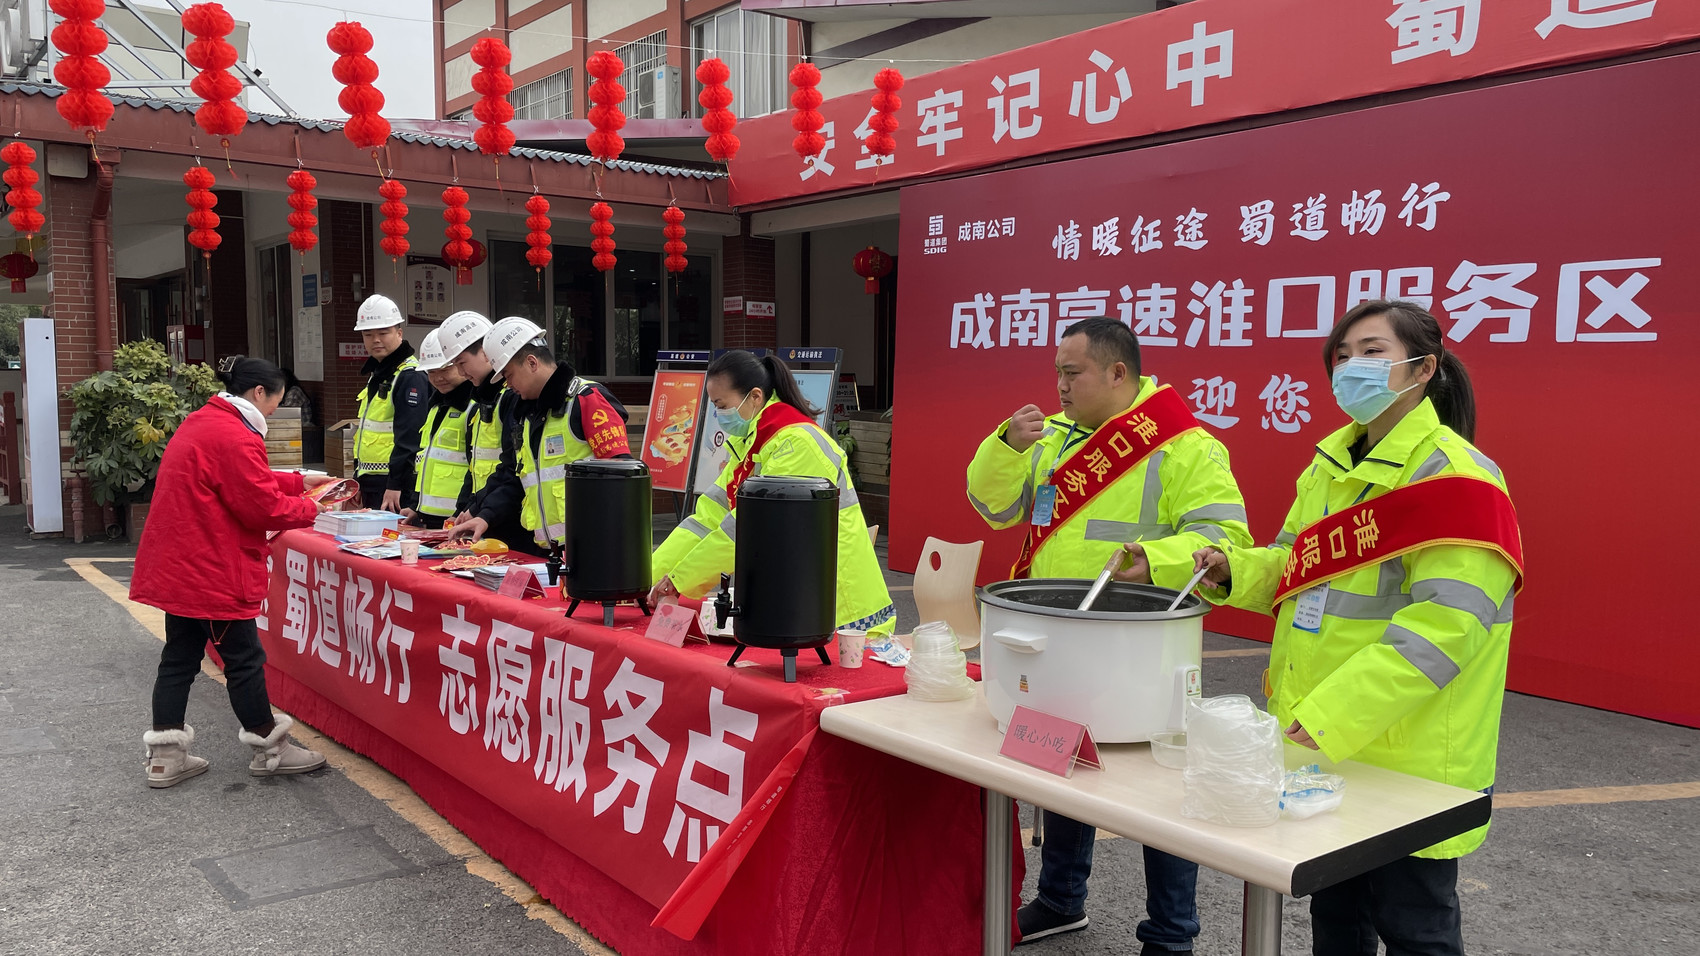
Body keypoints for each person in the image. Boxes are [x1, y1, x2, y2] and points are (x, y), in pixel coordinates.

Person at [1192, 301, 1521, 956]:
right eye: (1341, 356)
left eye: (1372, 352)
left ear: (1423, 368)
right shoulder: (1329, 467)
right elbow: (1295, 564)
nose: (1350, 368)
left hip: (1408, 758)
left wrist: (1331, 715)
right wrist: (1236, 570)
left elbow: (1445, 628)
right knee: (1337, 922)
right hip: (1325, 747)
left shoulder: (1457, 477)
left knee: (1415, 929)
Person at [965, 317, 1252, 953]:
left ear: (1118, 372)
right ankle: (1060, 900)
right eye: (1057, 374)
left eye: (1073, 373)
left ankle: (1171, 936)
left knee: (1156, 792)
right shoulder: (1052, 438)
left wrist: (1156, 559)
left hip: (1139, 649)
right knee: (1062, 761)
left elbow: (1226, 543)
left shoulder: (1185, 446)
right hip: (1061, 636)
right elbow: (996, 509)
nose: (1060, 387)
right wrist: (1004, 446)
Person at [129, 356, 337, 788]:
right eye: (276, 402)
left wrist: (298, 482)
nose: (275, 411)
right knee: (244, 660)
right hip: (214, 570)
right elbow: (260, 506)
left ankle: (164, 757)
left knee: (178, 658)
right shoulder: (237, 435)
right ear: (259, 392)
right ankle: (271, 749)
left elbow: (241, 480)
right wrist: (312, 507)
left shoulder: (203, 421)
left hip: (179, 568)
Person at [649, 350, 895, 637]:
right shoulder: (750, 445)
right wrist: (647, 576)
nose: (717, 415)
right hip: (799, 602)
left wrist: (679, 580)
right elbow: (705, 521)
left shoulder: (797, 444)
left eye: (721, 405)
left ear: (755, 396)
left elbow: (747, 528)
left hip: (842, 612)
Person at [450, 317, 631, 554]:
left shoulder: (586, 399)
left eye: (509, 375)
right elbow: (517, 479)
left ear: (532, 362)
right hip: (547, 550)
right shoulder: (527, 416)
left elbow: (622, 477)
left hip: (593, 549)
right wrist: (485, 516)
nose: (507, 385)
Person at [438, 310, 540, 556]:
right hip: (488, 516)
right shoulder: (482, 402)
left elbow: (513, 468)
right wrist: (467, 509)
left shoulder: (512, 398)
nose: (461, 373)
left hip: (512, 520)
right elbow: (473, 468)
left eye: (462, 363)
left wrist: (480, 511)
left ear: (485, 353)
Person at [351, 294, 429, 512]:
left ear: (399, 333)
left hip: (394, 486)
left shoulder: (410, 376)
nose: (376, 340)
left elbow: (410, 436)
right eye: (368, 334)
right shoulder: (379, 373)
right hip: (373, 482)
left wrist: (396, 484)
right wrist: (358, 478)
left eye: (383, 333)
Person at [402, 328, 474, 529]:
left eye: (444, 369)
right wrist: (416, 505)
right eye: (432, 371)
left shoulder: (472, 407)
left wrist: (463, 511)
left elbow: (477, 469)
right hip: (431, 516)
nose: (438, 377)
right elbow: (426, 461)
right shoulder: (436, 406)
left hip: (459, 517)